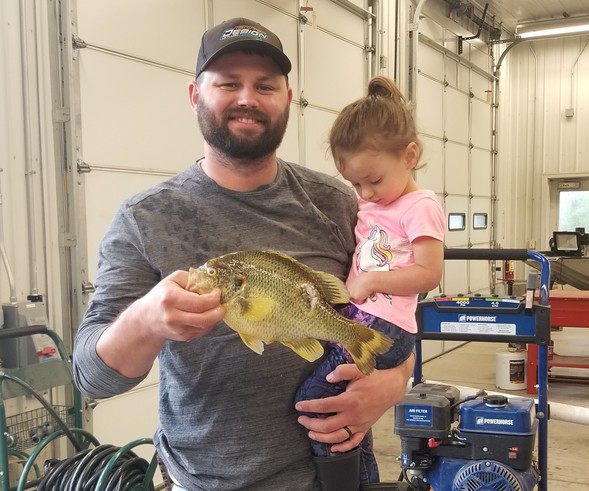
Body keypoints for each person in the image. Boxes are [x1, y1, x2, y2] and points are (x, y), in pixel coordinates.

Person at [72, 18, 414, 491]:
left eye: (265, 85)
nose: (247, 98)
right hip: (204, 482)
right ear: (195, 95)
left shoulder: (338, 203)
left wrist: (394, 383)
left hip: (329, 475)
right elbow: (92, 378)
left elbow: (397, 314)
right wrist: (145, 320)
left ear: (288, 99)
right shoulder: (145, 218)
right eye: (228, 83)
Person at [295, 76, 445, 485]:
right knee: (341, 403)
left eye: (373, 180)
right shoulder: (372, 203)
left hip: (387, 325)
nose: (366, 192)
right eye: (355, 184)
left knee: (315, 398)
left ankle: (343, 480)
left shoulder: (420, 206)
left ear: (409, 156)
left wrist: (373, 281)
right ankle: (362, 477)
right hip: (362, 316)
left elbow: (430, 273)